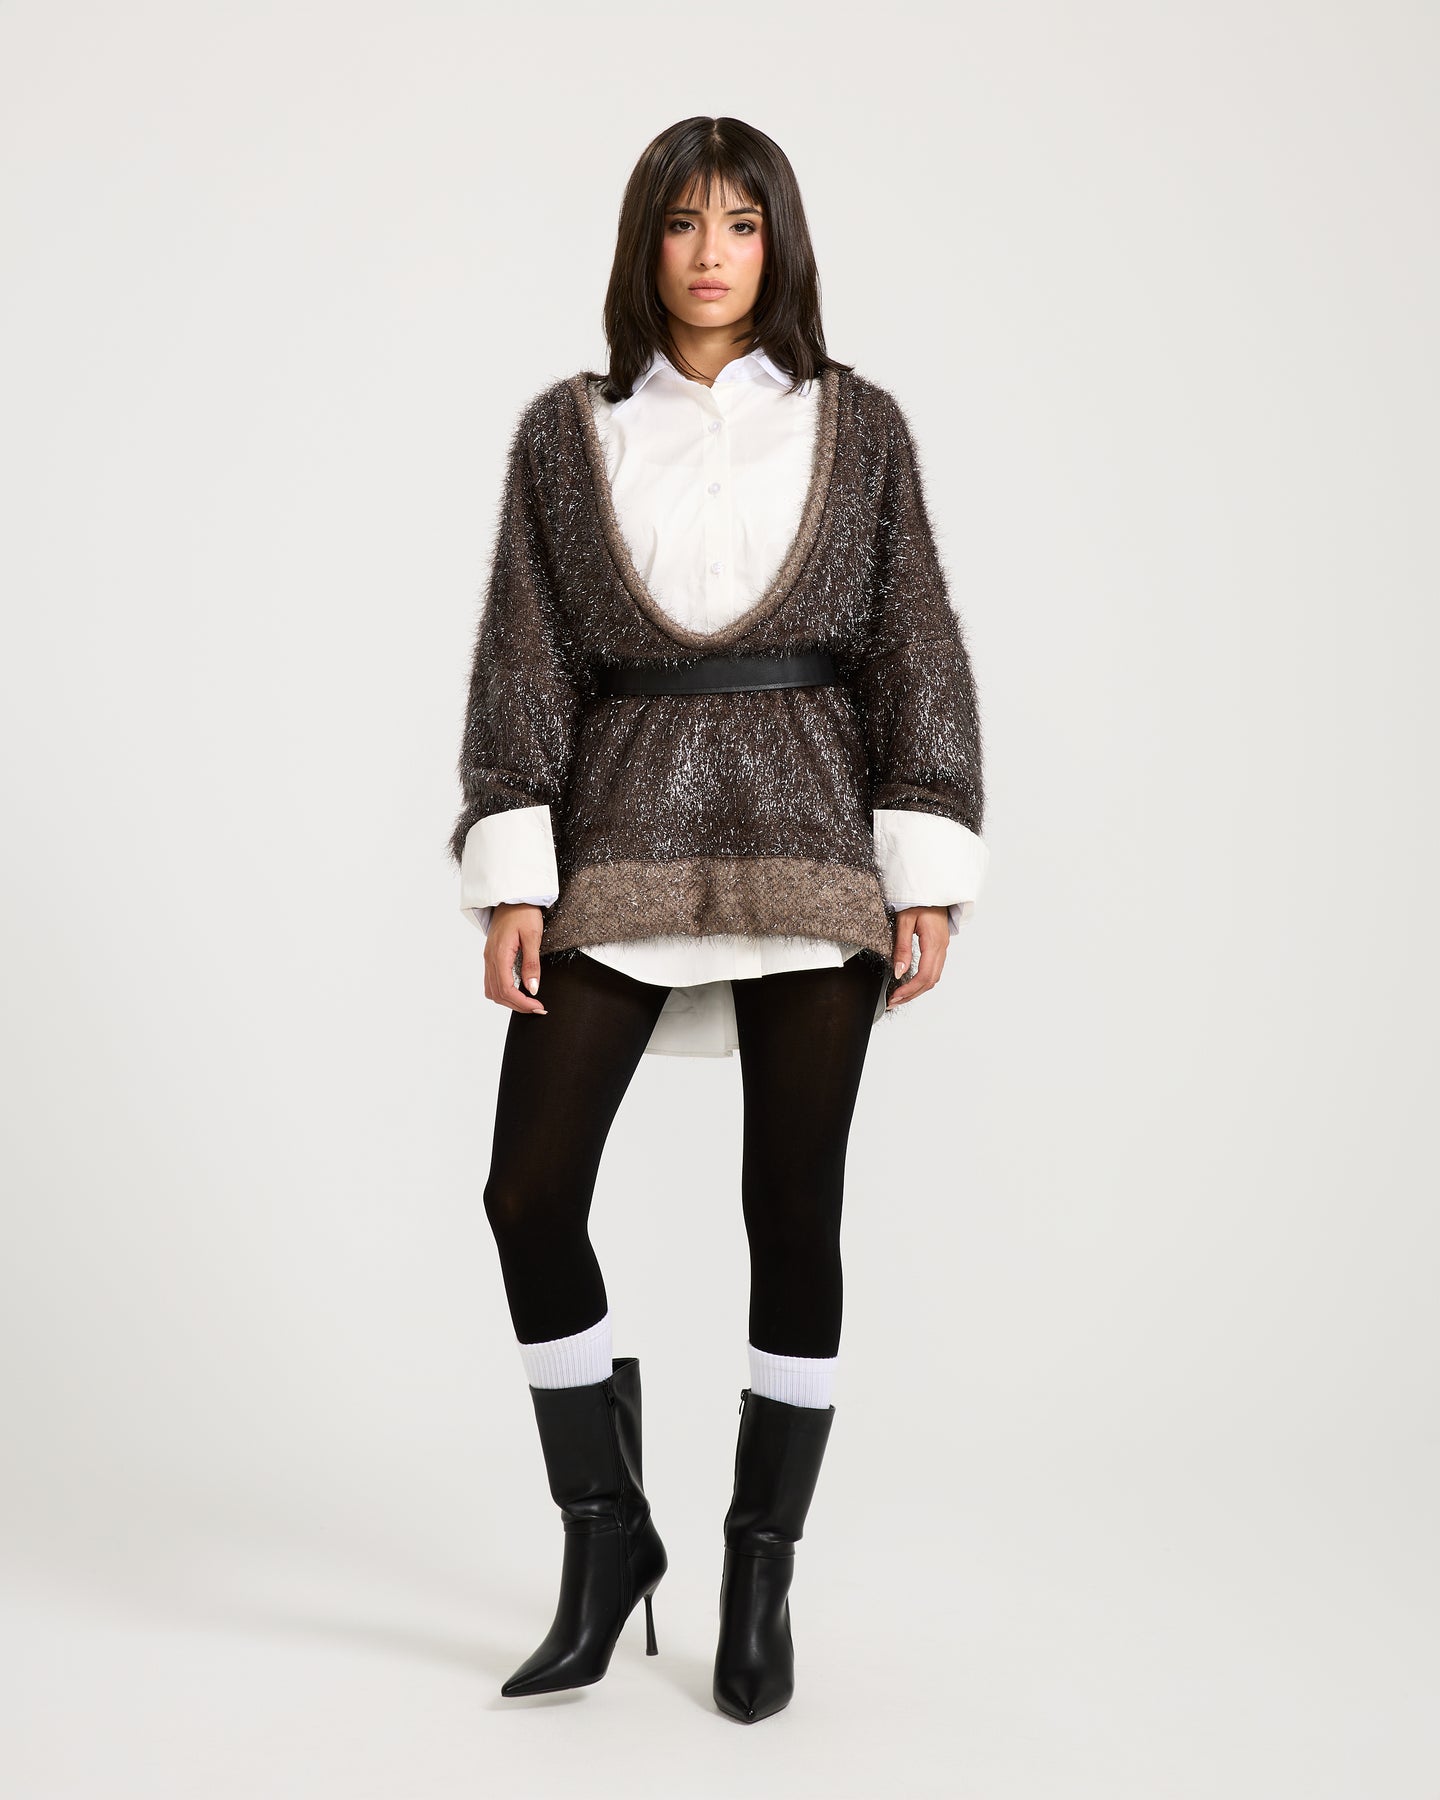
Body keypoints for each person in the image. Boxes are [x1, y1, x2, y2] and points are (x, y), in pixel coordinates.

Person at [446, 115, 989, 1723]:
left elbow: (913, 643)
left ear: (778, 245)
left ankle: (762, 1566)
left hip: (815, 844)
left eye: (740, 223)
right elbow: (524, 653)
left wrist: (925, 865)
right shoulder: (569, 432)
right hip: (619, 835)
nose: (709, 252)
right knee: (528, 1193)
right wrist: (517, 871)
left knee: (793, 1213)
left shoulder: (857, 425)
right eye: (683, 222)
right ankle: (606, 1530)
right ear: (646, 243)